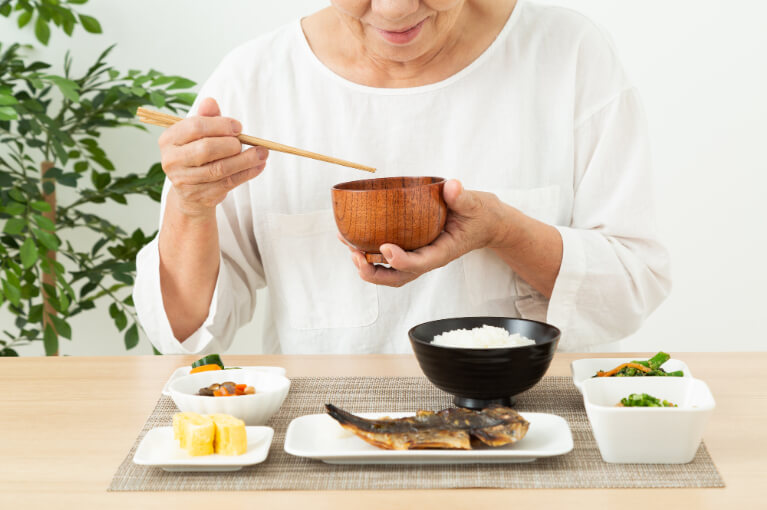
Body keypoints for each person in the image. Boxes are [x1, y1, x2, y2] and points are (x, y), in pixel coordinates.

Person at [133, 0, 671, 355]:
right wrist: (190, 207)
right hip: (324, 440)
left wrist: (505, 231)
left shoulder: (567, 53)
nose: (394, 10)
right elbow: (184, 333)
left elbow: (631, 287)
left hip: (528, 431)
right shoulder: (256, 80)